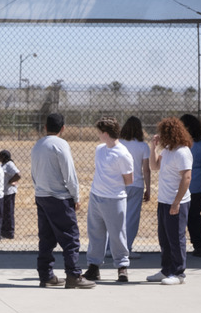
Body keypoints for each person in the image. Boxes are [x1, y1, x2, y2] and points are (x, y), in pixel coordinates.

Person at [31, 113, 95, 289]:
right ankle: (73, 276)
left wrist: (40, 190)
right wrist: (76, 196)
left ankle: (46, 276)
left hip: (41, 196)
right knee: (70, 237)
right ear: (63, 128)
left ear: (45, 127)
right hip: (59, 197)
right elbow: (69, 174)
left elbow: (34, 173)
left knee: (46, 238)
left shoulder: (38, 145)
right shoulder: (61, 145)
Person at [82, 118, 134, 283]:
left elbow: (129, 179)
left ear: (105, 133)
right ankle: (94, 267)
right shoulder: (99, 149)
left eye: (99, 132)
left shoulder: (123, 153)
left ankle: (122, 267)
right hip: (96, 196)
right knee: (95, 233)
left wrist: (112, 185)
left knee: (117, 234)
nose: (98, 135)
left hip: (114, 199)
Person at [147, 117, 192, 285]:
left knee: (176, 238)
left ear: (170, 134)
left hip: (176, 202)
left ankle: (179, 273)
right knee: (164, 238)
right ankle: (166, 270)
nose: (160, 136)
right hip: (164, 201)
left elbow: (187, 178)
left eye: (163, 133)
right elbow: (154, 166)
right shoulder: (167, 150)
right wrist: (153, 147)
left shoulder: (182, 152)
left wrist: (176, 202)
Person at [118, 116, 151, 259]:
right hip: (136, 184)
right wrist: (148, 188)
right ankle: (126, 248)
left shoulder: (118, 143)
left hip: (118, 184)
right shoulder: (143, 146)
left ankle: (110, 247)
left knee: (115, 217)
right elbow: (146, 169)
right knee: (131, 218)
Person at [179, 114, 201, 257]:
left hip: (183, 185)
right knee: (195, 216)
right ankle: (199, 245)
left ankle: (178, 247)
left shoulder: (184, 145)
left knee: (178, 217)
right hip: (198, 184)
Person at [0, 149, 20, 239]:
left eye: (0, 155)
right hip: (3, 192)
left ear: (3, 157)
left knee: (9, 212)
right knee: (3, 212)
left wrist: (11, 181)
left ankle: (9, 232)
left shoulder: (9, 164)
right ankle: (3, 231)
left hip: (9, 192)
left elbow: (18, 175)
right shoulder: (3, 165)